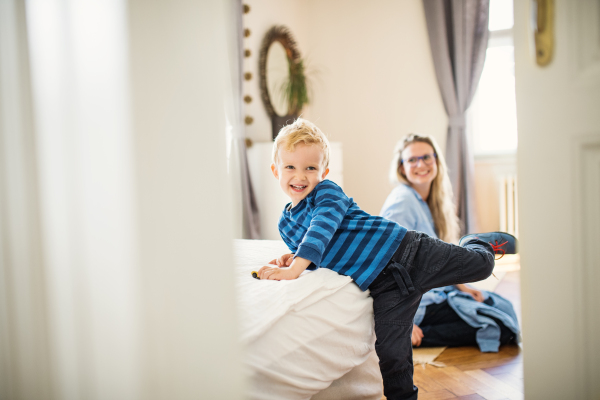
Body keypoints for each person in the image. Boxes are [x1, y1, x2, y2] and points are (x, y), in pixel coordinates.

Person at [256, 118, 516, 400]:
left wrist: (295, 269)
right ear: (275, 170)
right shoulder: (286, 224)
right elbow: (322, 254)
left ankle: (475, 242)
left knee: (483, 265)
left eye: (310, 168)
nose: (300, 176)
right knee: (392, 354)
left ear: (324, 172)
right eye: (290, 167)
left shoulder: (326, 192)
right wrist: (293, 257)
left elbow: (323, 226)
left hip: (408, 251)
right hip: (385, 286)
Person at [380, 133, 519, 351]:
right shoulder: (403, 202)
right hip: (417, 306)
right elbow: (387, 263)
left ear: (436, 160)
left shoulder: (427, 201)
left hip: (433, 293)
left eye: (426, 157)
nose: (421, 164)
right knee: (501, 325)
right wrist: (404, 321)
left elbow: (434, 257)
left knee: (502, 306)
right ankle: (399, 335)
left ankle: (476, 247)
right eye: (412, 160)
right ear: (401, 168)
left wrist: (461, 286)